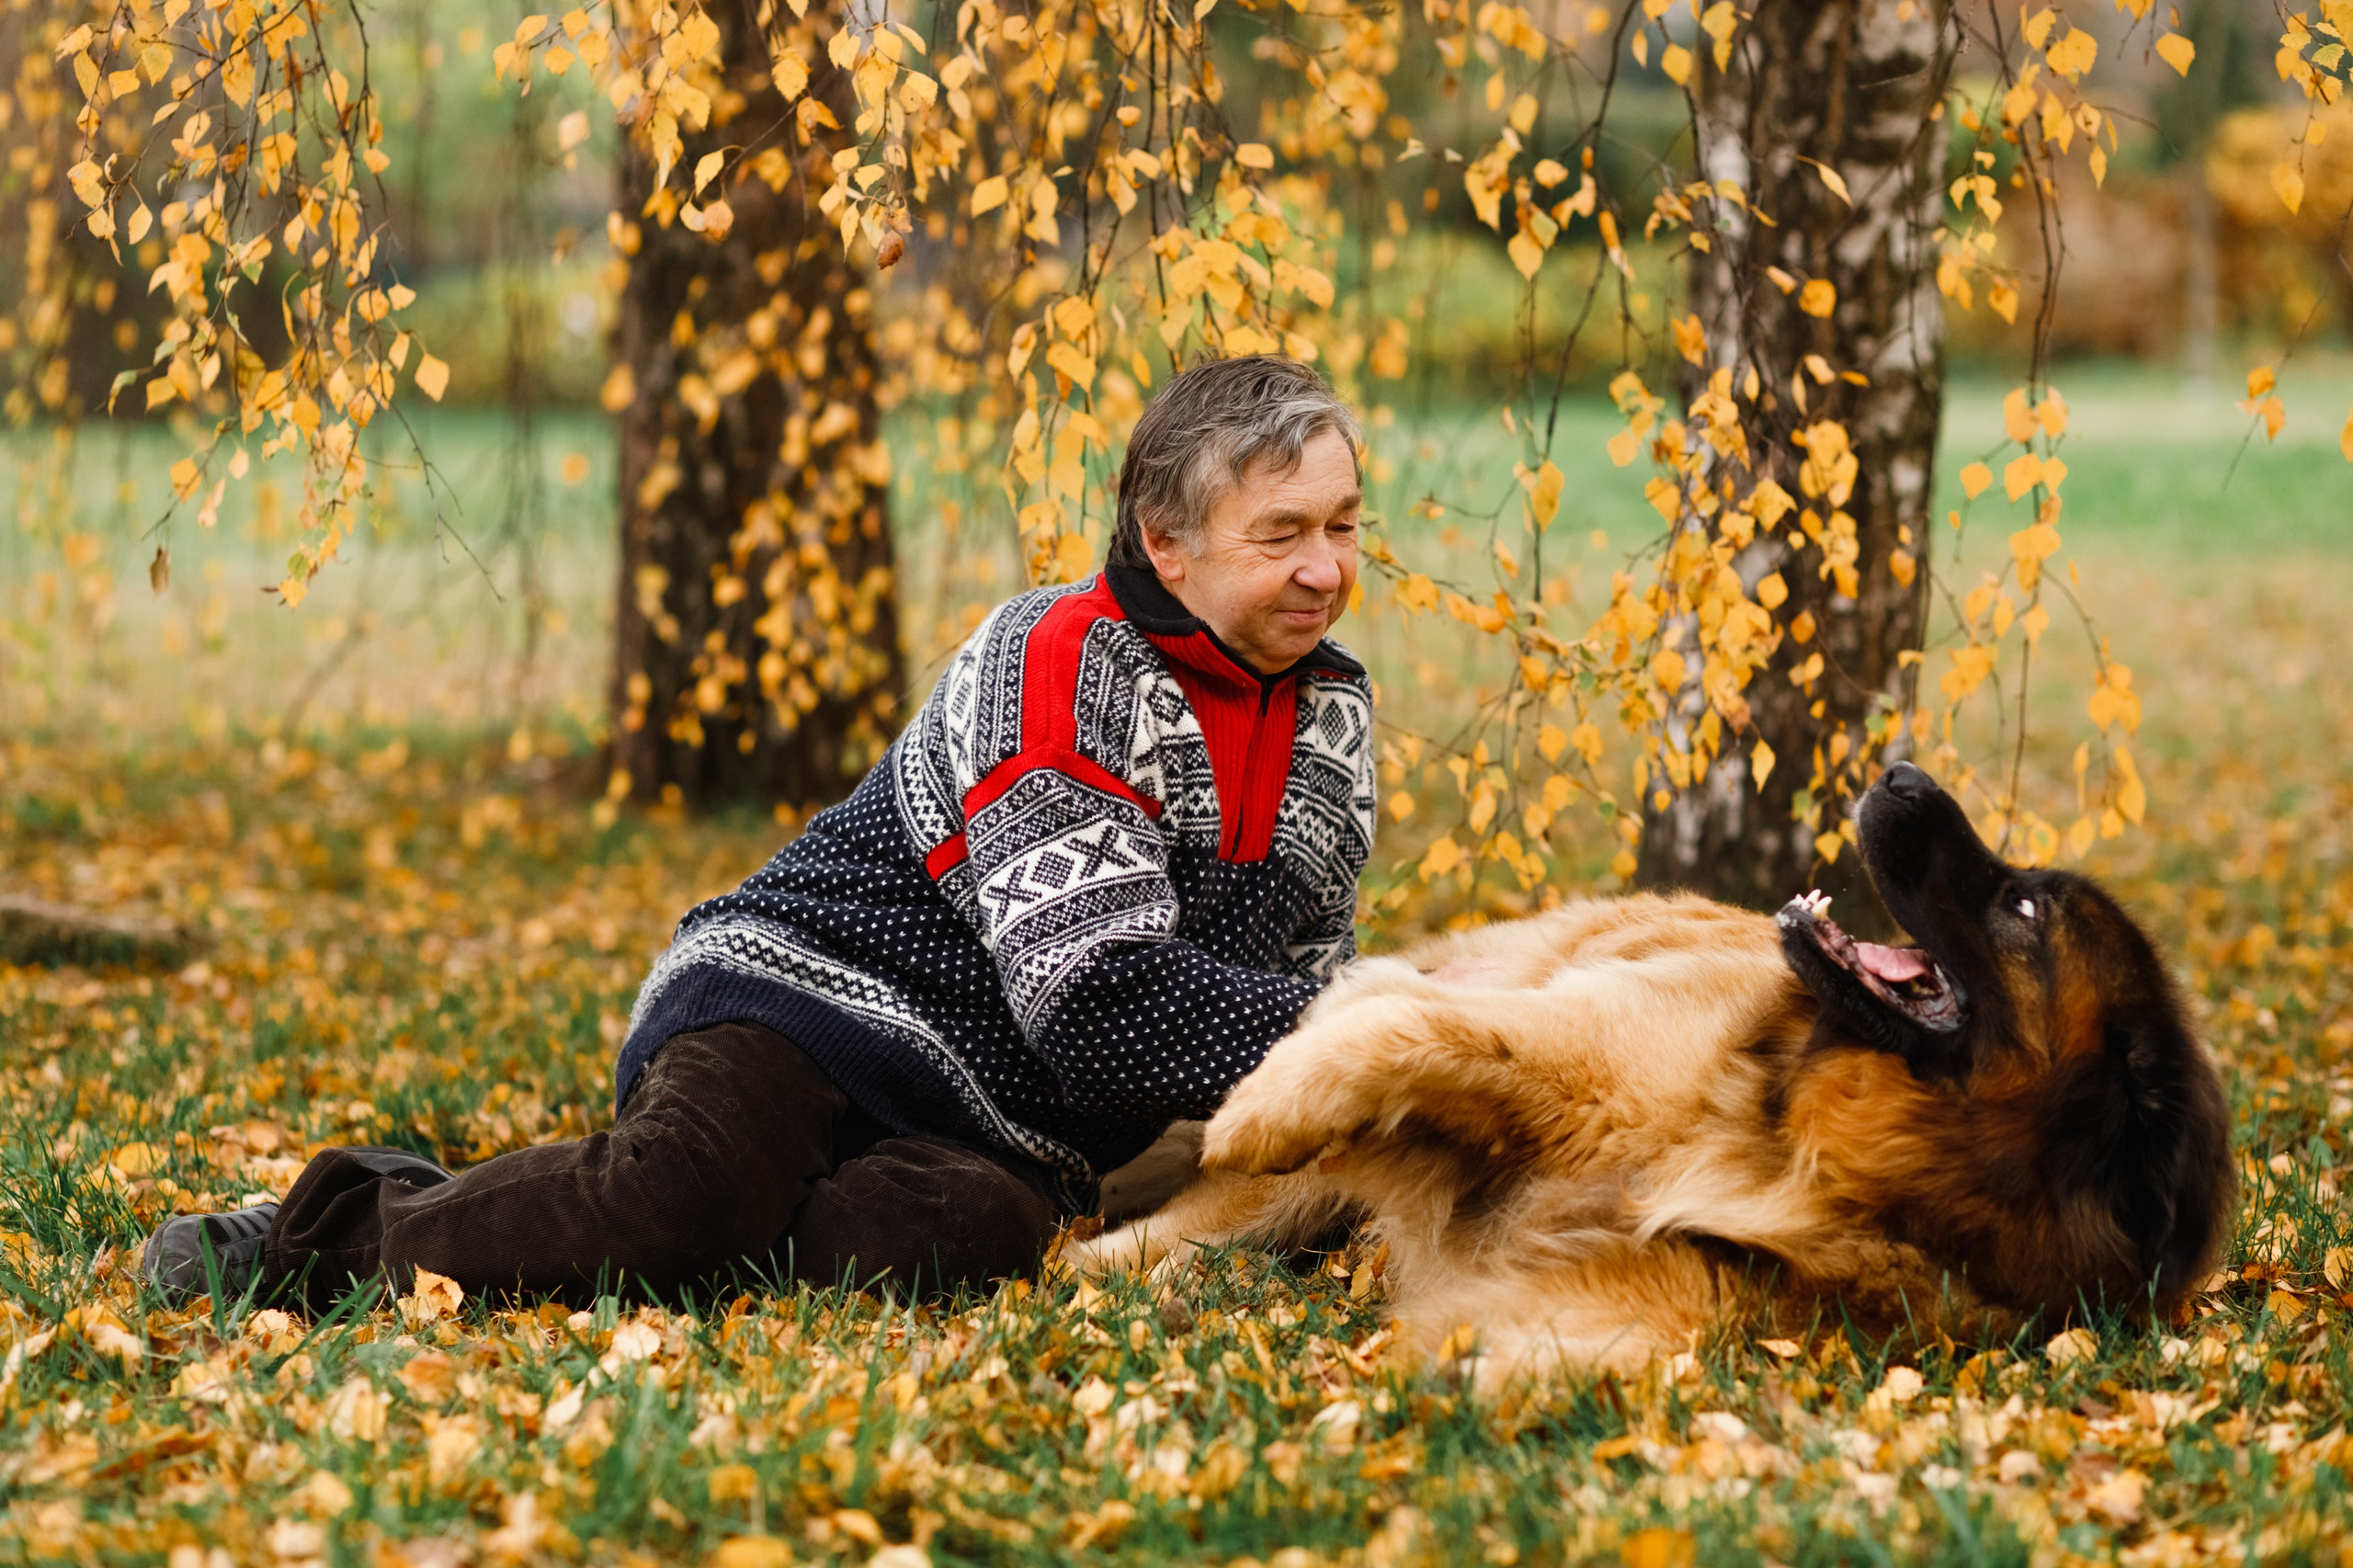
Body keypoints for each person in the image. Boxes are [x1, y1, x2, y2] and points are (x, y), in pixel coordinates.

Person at [144, 353, 1378, 1308]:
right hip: (807, 995)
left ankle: (619, 1212)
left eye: (1342, 525)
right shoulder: (1059, 662)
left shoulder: (1333, 715)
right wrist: (1387, 1025)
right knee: (688, 1195)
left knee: (940, 1245)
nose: (1325, 569)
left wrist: (1382, 1072)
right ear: (1167, 542)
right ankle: (336, 1224)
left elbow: (1300, 984)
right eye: (1283, 534)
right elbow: (1106, 1011)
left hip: (1001, 1121)